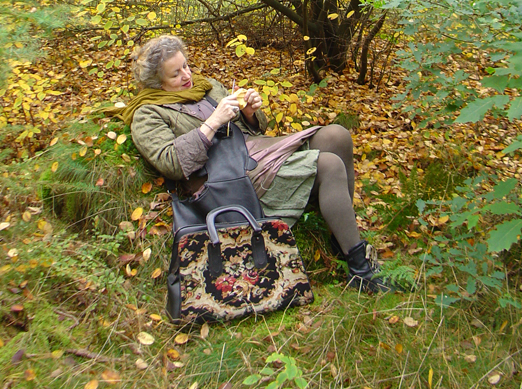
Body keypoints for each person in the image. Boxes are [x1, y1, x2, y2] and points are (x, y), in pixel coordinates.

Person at [122, 34, 392, 292]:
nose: (187, 75)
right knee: (329, 165)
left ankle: (341, 238)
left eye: (186, 66)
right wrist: (212, 122)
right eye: (176, 74)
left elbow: (254, 129)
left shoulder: (207, 87)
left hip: (255, 152)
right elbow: (171, 162)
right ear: (158, 83)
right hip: (228, 180)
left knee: (338, 136)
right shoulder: (147, 113)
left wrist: (250, 113)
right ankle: (361, 270)